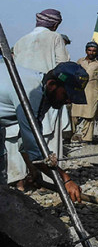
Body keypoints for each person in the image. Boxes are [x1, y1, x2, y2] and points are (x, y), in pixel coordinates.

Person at [0, 61, 86, 200]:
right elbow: (35, 150)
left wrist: (33, 170)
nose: (69, 101)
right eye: (66, 95)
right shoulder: (30, 94)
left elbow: (26, 140)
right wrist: (66, 179)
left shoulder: (44, 94)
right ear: (52, 85)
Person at [13, 9, 71, 168]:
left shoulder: (20, 41)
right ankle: (52, 176)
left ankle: (28, 175)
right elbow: (63, 66)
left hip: (21, 94)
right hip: (48, 92)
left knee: (24, 134)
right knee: (48, 134)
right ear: (55, 24)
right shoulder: (55, 38)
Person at [71, 42, 98, 142]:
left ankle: (87, 138)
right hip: (79, 90)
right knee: (74, 114)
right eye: (89, 50)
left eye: (94, 51)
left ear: (97, 52)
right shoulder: (80, 61)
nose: (91, 53)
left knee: (90, 116)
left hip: (92, 91)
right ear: (86, 51)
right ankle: (70, 135)